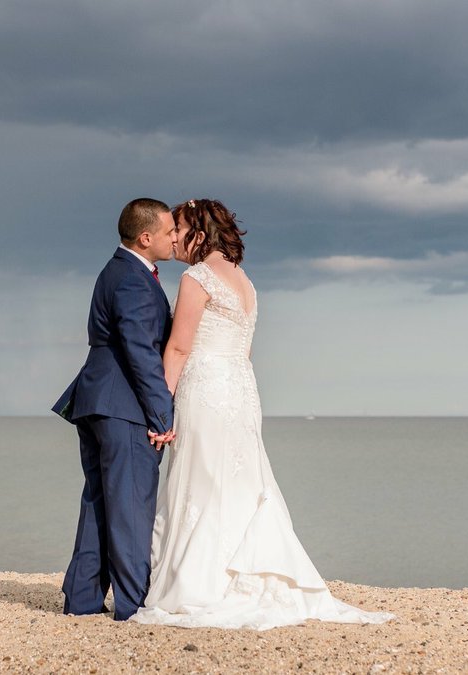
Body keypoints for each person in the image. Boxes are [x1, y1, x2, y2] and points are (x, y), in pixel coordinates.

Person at [130, 198, 394, 630]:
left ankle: (203, 583)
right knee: (238, 480)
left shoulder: (196, 278)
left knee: (201, 479)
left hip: (208, 387)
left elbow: (178, 348)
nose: (173, 237)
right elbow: (244, 348)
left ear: (198, 231)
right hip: (240, 390)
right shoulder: (245, 282)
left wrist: (158, 408)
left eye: (178, 228)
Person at [52, 197, 180, 621]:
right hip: (122, 405)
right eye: (168, 231)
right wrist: (163, 412)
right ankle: (132, 605)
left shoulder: (119, 270)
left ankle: (83, 601)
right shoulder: (131, 279)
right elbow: (140, 351)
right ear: (146, 237)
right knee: (129, 506)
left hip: (98, 400)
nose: (174, 237)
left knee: (99, 502)